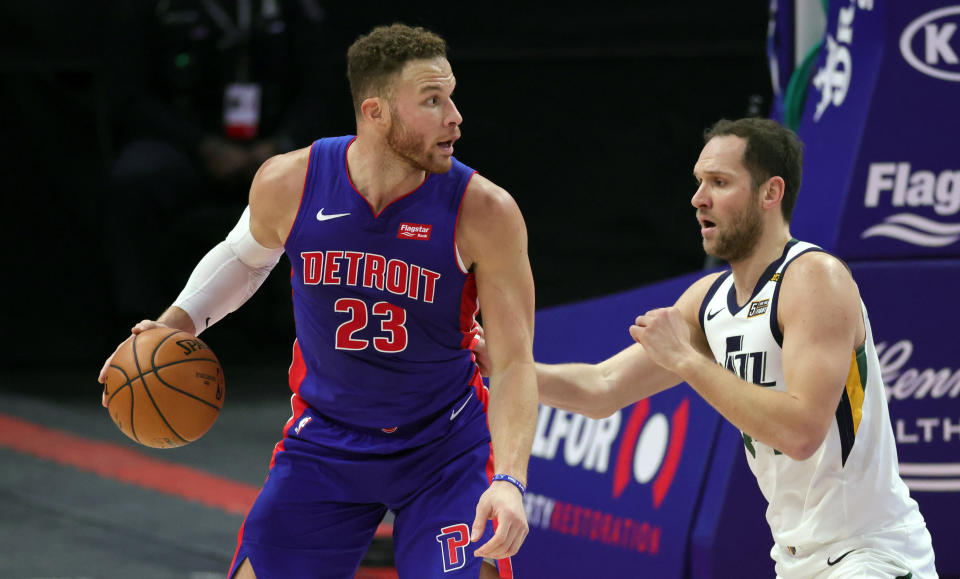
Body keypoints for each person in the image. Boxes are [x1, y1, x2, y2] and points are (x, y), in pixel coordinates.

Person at [98, 23, 538, 579]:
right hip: (326, 441)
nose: (454, 116)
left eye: (451, 96)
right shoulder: (292, 181)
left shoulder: (486, 211)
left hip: (444, 446)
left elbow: (516, 359)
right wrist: (171, 325)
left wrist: (511, 481)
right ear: (376, 112)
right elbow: (243, 257)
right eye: (432, 100)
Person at [488, 118, 936, 578]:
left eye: (719, 182)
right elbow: (602, 389)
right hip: (798, 559)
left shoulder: (814, 278)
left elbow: (802, 433)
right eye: (699, 182)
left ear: (770, 192)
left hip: (870, 555)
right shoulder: (710, 300)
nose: (698, 198)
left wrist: (684, 359)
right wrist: (500, 366)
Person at [103, 0, 332, 323]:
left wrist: (278, 146)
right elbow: (131, 97)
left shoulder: (294, 10)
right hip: (184, 144)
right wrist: (202, 145)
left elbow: (318, 92)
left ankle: (309, 322)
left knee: (330, 175)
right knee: (136, 177)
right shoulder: (154, 10)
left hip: (272, 147)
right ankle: (140, 324)